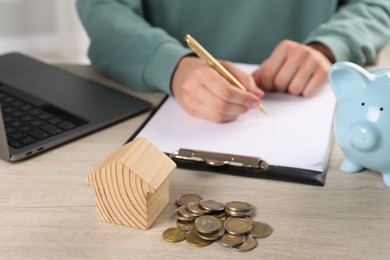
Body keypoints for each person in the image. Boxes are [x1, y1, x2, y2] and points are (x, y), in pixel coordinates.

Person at [76, 0, 390, 122]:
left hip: (320, 105)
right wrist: (172, 66)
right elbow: (102, 6)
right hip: (152, 102)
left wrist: (331, 45)